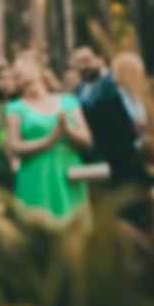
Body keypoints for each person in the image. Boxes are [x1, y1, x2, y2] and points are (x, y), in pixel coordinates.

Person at [6, 57, 93, 218]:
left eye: (28, 68)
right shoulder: (15, 108)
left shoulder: (69, 101)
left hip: (68, 170)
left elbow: (87, 140)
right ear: (16, 82)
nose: (25, 75)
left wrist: (67, 130)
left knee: (74, 227)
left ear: (40, 71)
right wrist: (48, 141)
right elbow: (14, 147)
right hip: (35, 174)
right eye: (19, 74)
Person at [71, 46, 148, 186]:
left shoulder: (111, 91)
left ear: (100, 59)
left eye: (86, 60)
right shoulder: (79, 90)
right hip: (120, 158)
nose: (82, 66)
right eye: (78, 62)